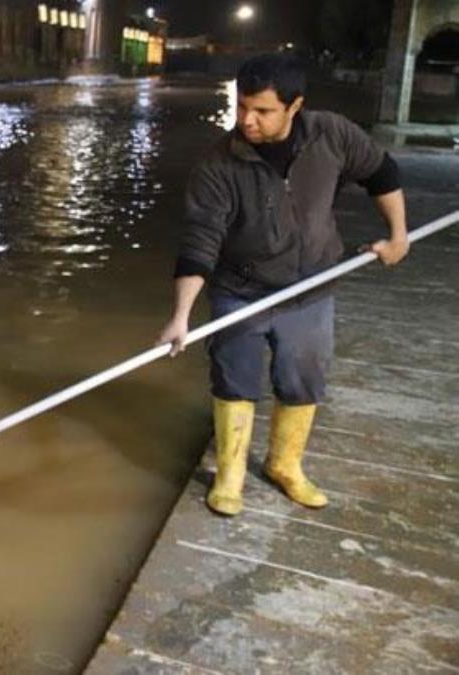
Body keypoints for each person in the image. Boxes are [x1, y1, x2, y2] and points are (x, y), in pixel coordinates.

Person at [156, 54, 409, 516]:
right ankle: (230, 476)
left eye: (263, 110)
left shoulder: (331, 134)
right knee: (234, 377)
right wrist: (180, 316)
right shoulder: (219, 164)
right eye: (242, 107)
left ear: (295, 107)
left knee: (302, 378)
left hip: (310, 285)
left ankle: (284, 465)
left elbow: (382, 173)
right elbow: (200, 243)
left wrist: (398, 236)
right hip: (241, 288)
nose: (247, 120)